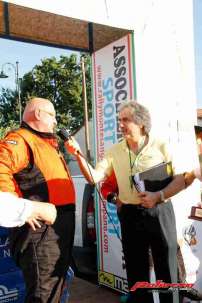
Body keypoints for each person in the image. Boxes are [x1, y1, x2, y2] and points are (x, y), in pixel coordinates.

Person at [66, 100, 188, 303]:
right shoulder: (114, 151)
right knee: (135, 271)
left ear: (141, 123)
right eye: (119, 120)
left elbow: (181, 179)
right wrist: (77, 154)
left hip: (160, 210)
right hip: (130, 214)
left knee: (167, 268)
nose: (120, 125)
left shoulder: (162, 145)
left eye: (125, 120)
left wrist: (159, 196)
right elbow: (94, 177)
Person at [0, 97, 77, 303]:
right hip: (41, 231)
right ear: (38, 114)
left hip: (58, 228)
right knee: (43, 293)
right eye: (52, 115)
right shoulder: (21, 139)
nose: (55, 122)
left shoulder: (46, 144)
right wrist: (23, 209)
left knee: (55, 288)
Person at [100, 170, 202, 302]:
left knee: (170, 257)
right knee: (138, 267)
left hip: (161, 212)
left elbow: (182, 178)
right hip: (133, 218)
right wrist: (115, 199)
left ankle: (180, 289)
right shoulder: (120, 159)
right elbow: (106, 188)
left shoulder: (161, 154)